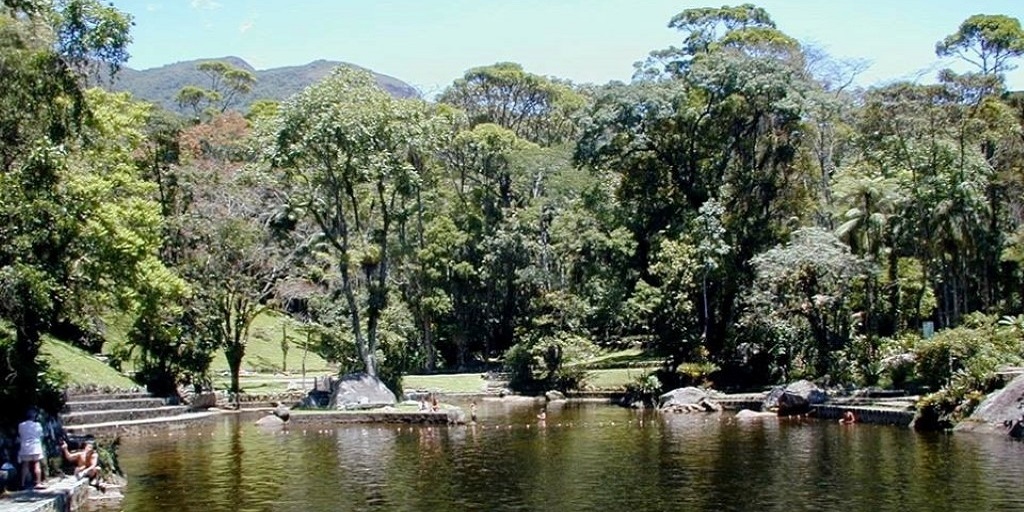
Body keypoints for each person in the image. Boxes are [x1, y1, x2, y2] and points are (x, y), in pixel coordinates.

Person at [17, 408, 45, 490]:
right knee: (36, 464)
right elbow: (41, 435)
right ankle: (38, 482)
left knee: (25, 465)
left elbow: (20, 435)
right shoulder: (37, 425)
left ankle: (22, 483)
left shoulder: (21, 425)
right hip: (35, 446)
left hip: (25, 447)